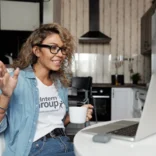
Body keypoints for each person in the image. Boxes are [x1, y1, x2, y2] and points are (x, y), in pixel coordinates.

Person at [0, 23, 93, 156]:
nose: (60, 54)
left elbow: (55, 123)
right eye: (53, 48)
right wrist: (5, 96)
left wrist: (72, 116)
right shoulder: (15, 80)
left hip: (64, 143)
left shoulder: (60, 83)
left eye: (62, 49)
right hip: (35, 149)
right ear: (37, 50)